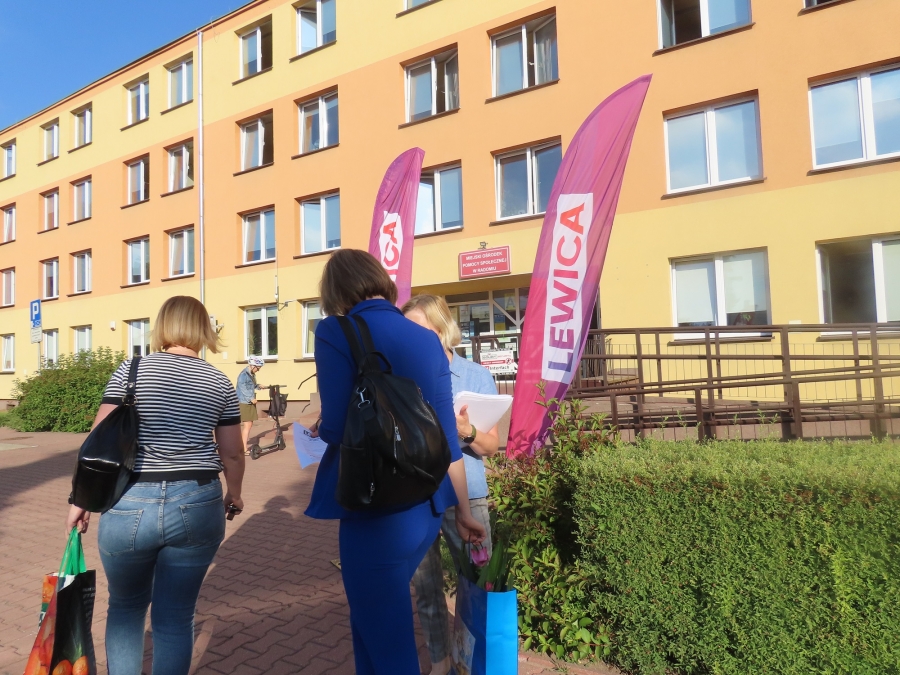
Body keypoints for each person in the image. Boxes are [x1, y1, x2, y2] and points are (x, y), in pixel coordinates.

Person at [305, 249, 486, 675]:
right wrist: (463, 510)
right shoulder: (426, 339)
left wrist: (322, 427)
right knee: (369, 626)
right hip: (425, 505)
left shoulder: (335, 330)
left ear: (335, 291)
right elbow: (446, 435)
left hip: (374, 506)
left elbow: (336, 427)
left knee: (387, 643)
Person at [66, 295, 246, 675]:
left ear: (162, 326)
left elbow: (97, 442)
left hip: (129, 499)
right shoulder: (219, 381)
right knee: (176, 616)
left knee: (126, 607)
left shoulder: (130, 371)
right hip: (198, 501)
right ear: (203, 329)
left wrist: (81, 500)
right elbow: (232, 453)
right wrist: (235, 493)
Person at [402, 294, 501, 675]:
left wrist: (466, 431)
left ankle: (475, 661)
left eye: (416, 328)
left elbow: (490, 446)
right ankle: (441, 664)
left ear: (441, 329)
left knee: (476, 584)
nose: (407, 336)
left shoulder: (476, 377)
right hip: (417, 499)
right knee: (426, 590)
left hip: (468, 497)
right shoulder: (401, 378)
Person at [237, 356, 265, 455]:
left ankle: (242, 446)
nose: (258, 370)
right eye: (258, 367)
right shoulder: (243, 375)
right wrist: (251, 398)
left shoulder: (251, 374)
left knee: (249, 424)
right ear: (253, 365)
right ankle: (243, 448)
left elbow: (251, 385)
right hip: (245, 402)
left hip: (249, 402)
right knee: (247, 425)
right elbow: (243, 388)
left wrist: (259, 386)